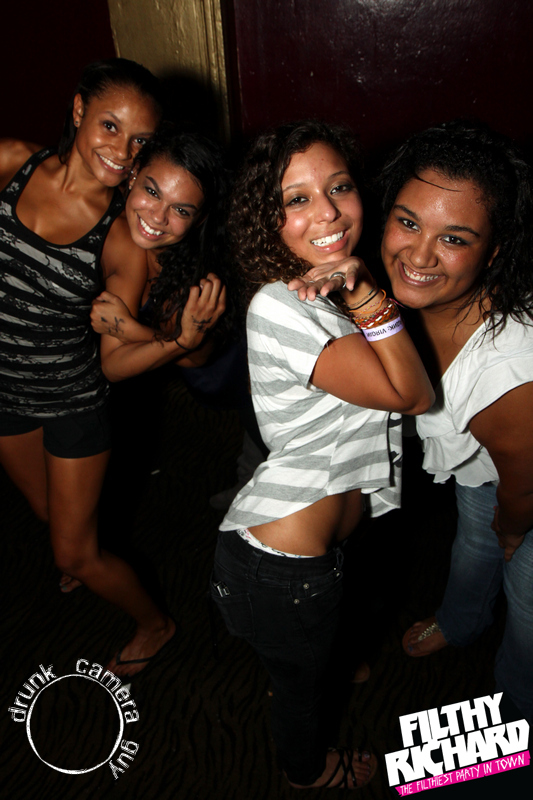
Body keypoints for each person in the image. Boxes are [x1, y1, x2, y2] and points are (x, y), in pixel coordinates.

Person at [209, 120, 434, 789]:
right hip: (282, 570)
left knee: (309, 662)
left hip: (307, 557)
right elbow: (412, 394)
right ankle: (306, 772)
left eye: (338, 187)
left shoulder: (318, 290)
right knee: (302, 695)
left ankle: (305, 662)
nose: (329, 212)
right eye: (297, 199)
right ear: (266, 217)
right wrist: (368, 295)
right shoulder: (283, 306)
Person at [0, 58, 177, 677]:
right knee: (52, 515)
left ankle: (156, 624)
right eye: (110, 126)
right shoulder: (11, 163)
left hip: (72, 404)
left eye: (141, 142)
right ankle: (76, 545)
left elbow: (118, 351)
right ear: (78, 110)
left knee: (74, 554)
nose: (123, 152)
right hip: (6, 396)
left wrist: (160, 334)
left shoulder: (120, 237)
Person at [378, 120, 533, 724]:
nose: (419, 256)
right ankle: (462, 621)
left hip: (527, 489)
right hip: (491, 468)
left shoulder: (509, 373)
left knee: (526, 604)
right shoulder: (414, 298)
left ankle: (518, 712)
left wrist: (513, 531)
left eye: (454, 238)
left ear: (493, 251)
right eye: (408, 222)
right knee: (472, 541)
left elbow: (523, 489)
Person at [89, 123, 229, 381]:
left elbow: (200, 356)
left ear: (199, 219)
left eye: (181, 210)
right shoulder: (120, 234)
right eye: (152, 192)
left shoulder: (204, 268)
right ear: (134, 175)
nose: (157, 217)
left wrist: (131, 330)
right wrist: (183, 341)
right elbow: (112, 365)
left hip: (233, 380)